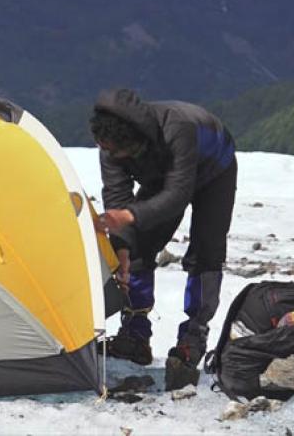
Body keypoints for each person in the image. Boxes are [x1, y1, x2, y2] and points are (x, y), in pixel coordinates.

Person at [91, 88, 236, 391]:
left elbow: (177, 196)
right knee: (138, 246)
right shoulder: (111, 146)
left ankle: (192, 339)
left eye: (117, 151)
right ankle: (135, 336)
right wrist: (122, 247)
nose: (110, 155)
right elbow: (117, 197)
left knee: (205, 253)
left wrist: (130, 217)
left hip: (215, 170)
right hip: (163, 173)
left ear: (134, 140)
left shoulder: (177, 130)